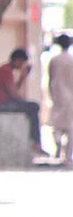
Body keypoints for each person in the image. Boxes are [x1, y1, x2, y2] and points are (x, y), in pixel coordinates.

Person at [0, 48, 45, 155]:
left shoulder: (6, 70)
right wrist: (24, 101)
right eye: (22, 62)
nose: (22, 65)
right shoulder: (5, 70)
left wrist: (22, 78)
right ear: (17, 60)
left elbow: (13, 90)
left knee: (31, 107)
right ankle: (36, 142)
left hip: (3, 103)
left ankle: (35, 142)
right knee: (34, 107)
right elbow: (13, 95)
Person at [47, 33, 73, 164]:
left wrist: (51, 93)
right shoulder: (71, 59)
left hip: (58, 95)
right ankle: (68, 156)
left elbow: (51, 78)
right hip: (70, 96)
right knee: (70, 126)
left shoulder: (54, 60)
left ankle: (58, 148)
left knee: (56, 125)